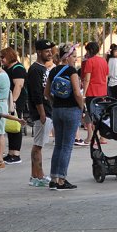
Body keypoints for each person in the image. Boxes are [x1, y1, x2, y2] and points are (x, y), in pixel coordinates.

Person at [45, 43, 85, 190]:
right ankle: (62, 179)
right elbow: (76, 92)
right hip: (71, 110)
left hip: (57, 110)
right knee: (67, 146)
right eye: (74, 56)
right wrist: (82, 107)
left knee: (58, 145)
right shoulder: (71, 71)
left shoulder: (53, 71)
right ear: (67, 57)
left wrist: (55, 102)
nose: (75, 60)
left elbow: (46, 93)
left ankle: (53, 178)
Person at [27, 39, 55, 187]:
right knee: (38, 146)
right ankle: (39, 175)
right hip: (41, 113)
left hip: (45, 111)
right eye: (46, 51)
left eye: (50, 50)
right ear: (38, 52)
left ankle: (35, 176)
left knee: (38, 145)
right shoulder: (35, 70)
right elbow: (36, 94)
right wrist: (42, 113)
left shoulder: (43, 68)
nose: (50, 53)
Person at [1, 47, 27, 164]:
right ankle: (11, 152)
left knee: (16, 126)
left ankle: (16, 153)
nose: (2, 60)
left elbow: (18, 86)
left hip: (16, 101)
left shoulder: (18, 69)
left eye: (3, 57)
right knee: (10, 126)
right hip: (9, 100)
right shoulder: (7, 68)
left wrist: (14, 102)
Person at [82, 41, 109, 145]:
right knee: (100, 114)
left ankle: (95, 137)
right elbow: (106, 78)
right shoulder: (103, 61)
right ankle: (101, 137)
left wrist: (83, 93)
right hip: (102, 92)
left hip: (91, 92)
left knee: (92, 115)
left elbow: (87, 79)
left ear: (90, 50)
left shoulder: (90, 61)